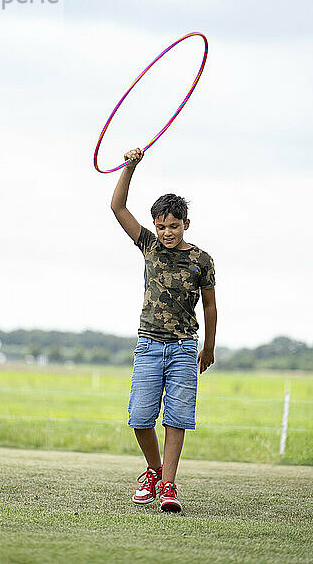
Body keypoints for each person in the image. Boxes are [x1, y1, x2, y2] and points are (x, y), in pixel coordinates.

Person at [110, 147, 217, 513]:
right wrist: (130, 167)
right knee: (140, 417)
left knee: (177, 417)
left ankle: (169, 485)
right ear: (154, 226)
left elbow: (210, 306)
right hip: (149, 345)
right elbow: (118, 208)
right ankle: (154, 470)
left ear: (185, 223)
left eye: (173, 225)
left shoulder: (202, 260)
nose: (167, 232)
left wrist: (210, 348)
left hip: (185, 348)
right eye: (161, 226)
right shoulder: (149, 246)